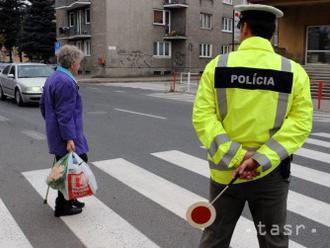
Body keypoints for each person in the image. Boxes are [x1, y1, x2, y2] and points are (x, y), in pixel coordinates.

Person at [192, 4, 313, 248]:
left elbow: (203, 117)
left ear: (244, 28)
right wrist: (260, 159)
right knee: (274, 240)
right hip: (271, 175)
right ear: (272, 33)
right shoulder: (293, 72)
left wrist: (236, 155)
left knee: (215, 238)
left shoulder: (218, 66)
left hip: (226, 173)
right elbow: (300, 124)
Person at [40, 45, 89, 217]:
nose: (80, 66)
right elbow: (65, 114)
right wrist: (69, 138)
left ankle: (71, 198)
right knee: (71, 167)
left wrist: (51, 124)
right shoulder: (65, 82)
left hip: (59, 130)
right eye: (79, 62)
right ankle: (62, 206)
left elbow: (43, 106)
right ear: (72, 62)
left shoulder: (54, 77)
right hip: (67, 134)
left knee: (70, 165)